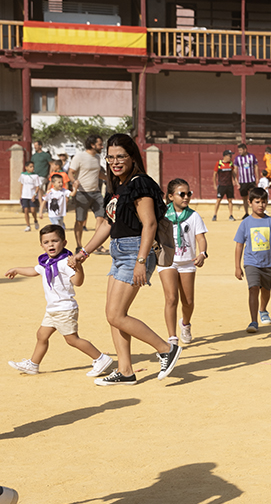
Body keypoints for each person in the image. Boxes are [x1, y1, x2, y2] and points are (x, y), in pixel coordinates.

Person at [70, 133, 182, 386]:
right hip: (119, 251)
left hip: (135, 251)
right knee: (113, 313)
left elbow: (150, 223)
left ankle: (166, 348)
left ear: (132, 156)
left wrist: (141, 261)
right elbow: (107, 225)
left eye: (121, 156)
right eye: (110, 157)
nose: (115, 161)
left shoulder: (139, 183)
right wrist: (84, 253)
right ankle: (126, 371)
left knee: (116, 314)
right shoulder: (118, 187)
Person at [6, 224, 113, 378]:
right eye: (47, 242)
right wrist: (17, 270)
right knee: (42, 335)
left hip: (64, 308)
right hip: (52, 309)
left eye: (55, 241)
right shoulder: (46, 263)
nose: (51, 244)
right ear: (41, 245)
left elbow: (78, 282)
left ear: (64, 243)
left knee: (72, 339)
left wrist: (78, 266)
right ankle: (33, 364)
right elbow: (34, 270)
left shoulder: (65, 262)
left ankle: (101, 358)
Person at [159, 179, 208, 345]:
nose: (186, 197)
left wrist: (202, 253)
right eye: (182, 194)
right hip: (167, 261)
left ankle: (185, 324)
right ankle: (172, 337)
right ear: (171, 196)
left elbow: (200, 237)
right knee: (171, 298)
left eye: (189, 194)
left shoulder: (194, 216)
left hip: (188, 261)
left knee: (188, 301)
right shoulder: (162, 214)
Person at [234, 187, 271, 334]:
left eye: (264, 202)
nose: (261, 205)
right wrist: (237, 267)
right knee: (253, 288)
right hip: (251, 263)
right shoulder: (245, 223)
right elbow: (239, 245)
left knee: (266, 290)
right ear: (250, 203)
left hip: (268, 263)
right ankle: (253, 320)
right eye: (257, 202)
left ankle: (263, 309)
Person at [68, 134, 107, 251]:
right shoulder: (79, 157)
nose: (102, 146)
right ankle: (79, 245)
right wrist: (74, 181)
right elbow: (71, 172)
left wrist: (110, 178)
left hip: (96, 193)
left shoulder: (97, 158)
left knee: (101, 218)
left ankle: (98, 245)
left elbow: (98, 173)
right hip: (82, 193)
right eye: (100, 144)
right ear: (92, 145)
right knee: (80, 220)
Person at [233, 143, 260, 218]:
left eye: (241, 150)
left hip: (251, 180)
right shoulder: (237, 158)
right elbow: (235, 169)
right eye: (239, 150)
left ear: (245, 149)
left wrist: (257, 177)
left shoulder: (252, 156)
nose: (240, 152)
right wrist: (235, 179)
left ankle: (254, 212)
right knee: (244, 198)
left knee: (253, 197)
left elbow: (256, 167)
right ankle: (246, 213)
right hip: (242, 181)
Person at [211, 149, 236, 222]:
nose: (230, 157)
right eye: (229, 155)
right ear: (225, 156)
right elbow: (214, 174)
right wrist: (215, 185)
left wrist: (235, 181)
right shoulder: (219, 163)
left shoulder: (231, 164)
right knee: (218, 200)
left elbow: (233, 173)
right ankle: (215, 215)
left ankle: (231, 215)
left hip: (229, 185)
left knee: (230, 200)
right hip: (221, 185)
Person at [19, 160, 43, 232]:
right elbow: (22, 185)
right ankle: (28, 225)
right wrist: (21, 195)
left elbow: (37, 187)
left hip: (32, 195)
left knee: (32, 210)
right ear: (26, 168)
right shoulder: (23, 175)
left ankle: (35, 220)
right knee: (26, 210)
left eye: (33, 167)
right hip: (25, 195)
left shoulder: (35, 176)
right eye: (30, 167)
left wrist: (34, 195)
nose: (32, 168)